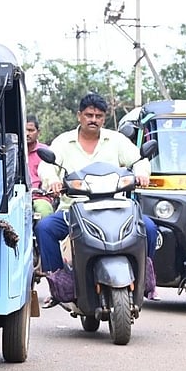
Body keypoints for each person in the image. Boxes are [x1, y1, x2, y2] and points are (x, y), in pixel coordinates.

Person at [35, 92, 158, 285]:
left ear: (104, 118)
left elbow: (138, 159)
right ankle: (59, 281)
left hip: (117, 209)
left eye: (99, 116)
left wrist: (142, 174)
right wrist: (52, 181)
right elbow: (47, 166)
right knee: (45, 228)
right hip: (73, 209)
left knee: (149, 228)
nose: (93, 120)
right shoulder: (63, 142)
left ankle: (144, 277)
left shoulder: (116, 140)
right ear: (79, 116)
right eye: (89, 115)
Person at [26, 115, 55, 217]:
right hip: (18, 197)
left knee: (44, 211)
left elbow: (53, 175)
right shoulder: (14, 151)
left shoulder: (45, 151)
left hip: (40, 197)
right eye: (25, 130)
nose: (27, 134)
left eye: (30, 130)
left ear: (38, 132)